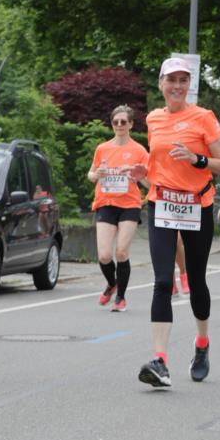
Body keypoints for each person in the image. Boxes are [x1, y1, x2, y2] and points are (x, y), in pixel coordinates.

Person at [130, 59, 220, 388]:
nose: (177, 85)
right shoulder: (153, 118)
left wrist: (196, 159)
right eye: (171, 79)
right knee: (161, 281)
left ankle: (202, 344)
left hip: (196, 204)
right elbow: (156, 159)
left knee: (198, 280)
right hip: (161, 204)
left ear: (189, 85)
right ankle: (160, 361)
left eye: (183, 80)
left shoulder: (203, 118)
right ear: (161, 83)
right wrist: (144, 174)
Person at [87, 105, 149, 312]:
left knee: (121, 252)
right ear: (112, 124)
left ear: (131, 124)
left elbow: (150, 181)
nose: (120, 125)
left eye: (124, 122)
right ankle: (111, 284)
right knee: (104, 255)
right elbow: (91, 174)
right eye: (116, 122)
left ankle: (121, 297)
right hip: (105, 202)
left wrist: (135, 173)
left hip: (129, 204)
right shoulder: (102, 148)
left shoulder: (139, 150)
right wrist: (96, 176)